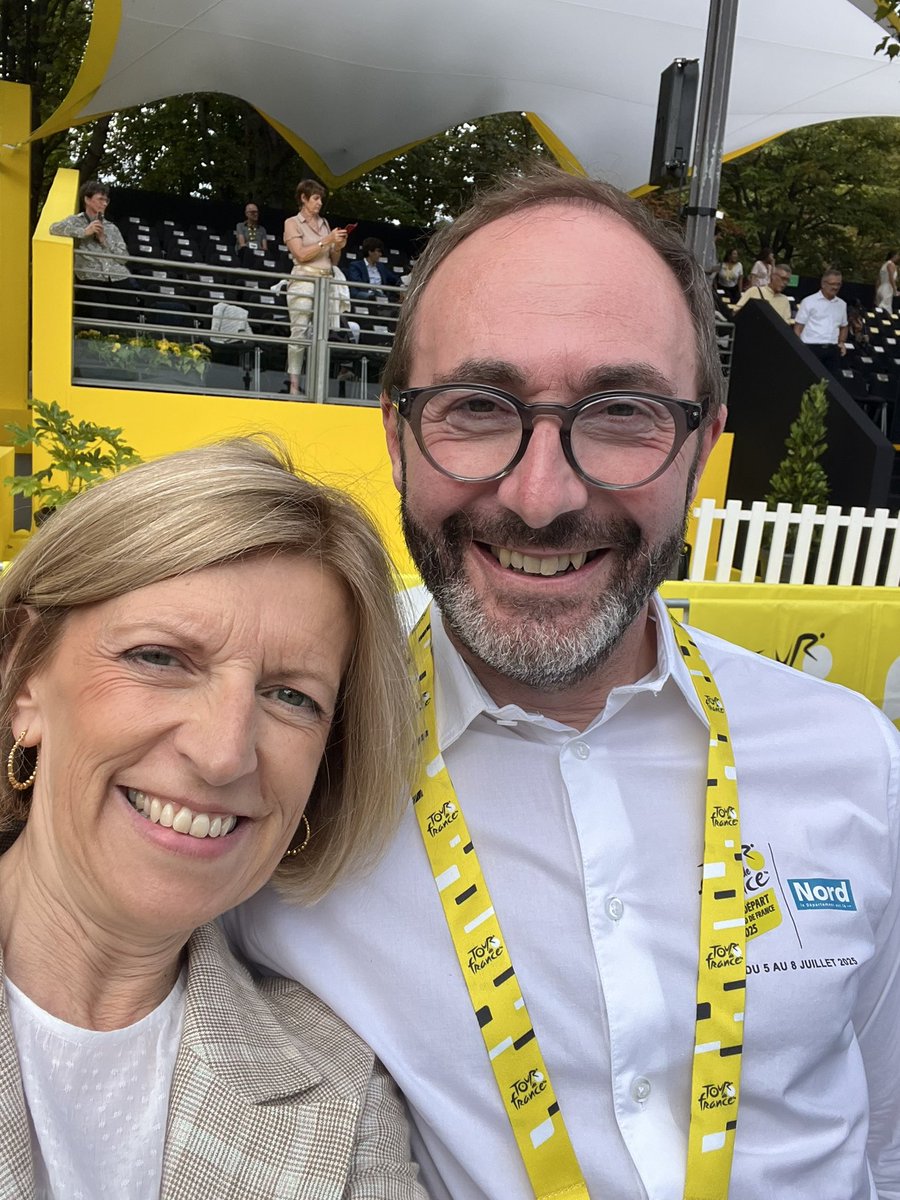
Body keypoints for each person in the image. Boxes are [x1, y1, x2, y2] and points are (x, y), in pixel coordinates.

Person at [228, 167, 900, 1199]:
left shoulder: (856, 760)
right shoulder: (270, 758)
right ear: (397, 436)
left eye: (622, 410)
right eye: (476, 408)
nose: (541, 498)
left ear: (703, 449)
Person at [0, 439, 426, 1199]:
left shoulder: (344, 1099)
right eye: (160, 658)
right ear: (23, 677)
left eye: (292, 697)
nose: (225, 752)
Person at [283, 180, 348, 396]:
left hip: (325, 282)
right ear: (303, 198)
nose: (320, 202)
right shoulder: (292, 222)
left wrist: (337, 246)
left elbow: (333, 259)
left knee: (321, 335)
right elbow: (301, 255)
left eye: (321, 198)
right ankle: (293, 384)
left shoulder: (325, 223)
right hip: (303, 280)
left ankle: (317, 385)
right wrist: (326, 240)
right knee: (299, 332)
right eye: (316, 198)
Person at [49, 180, 139, 326]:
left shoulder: (111, 227)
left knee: (124, 318)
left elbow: (124, 258)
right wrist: (84, 232)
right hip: (91, 277)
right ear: (87, 199)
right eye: (100, 199)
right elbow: (54, 228)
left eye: (106, 200)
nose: (104, 203)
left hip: (117, 277)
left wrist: (104, 240)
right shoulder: (75, 221)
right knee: (96, 320)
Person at [794, 269, 849, 373]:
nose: (835, 287)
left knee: (830, 383)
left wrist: (841, 342)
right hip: (811, 347)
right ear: (823, 284)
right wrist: (799, 348)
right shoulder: (809, 301)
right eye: (832, 284)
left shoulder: (842, 304)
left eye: (838, 284)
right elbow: (798, 327)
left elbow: (844, 326)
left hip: (832, 349)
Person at [347, 237, 404, 303]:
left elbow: (394, 279)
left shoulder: (381, 267)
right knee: (372, 296)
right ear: (370, 252)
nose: (380, 254)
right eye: (378, 251)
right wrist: (373, 292)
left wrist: (401, 285)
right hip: (365, 293)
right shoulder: (355, 265)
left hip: (380, 295)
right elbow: (357, 283)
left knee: (391, 299)